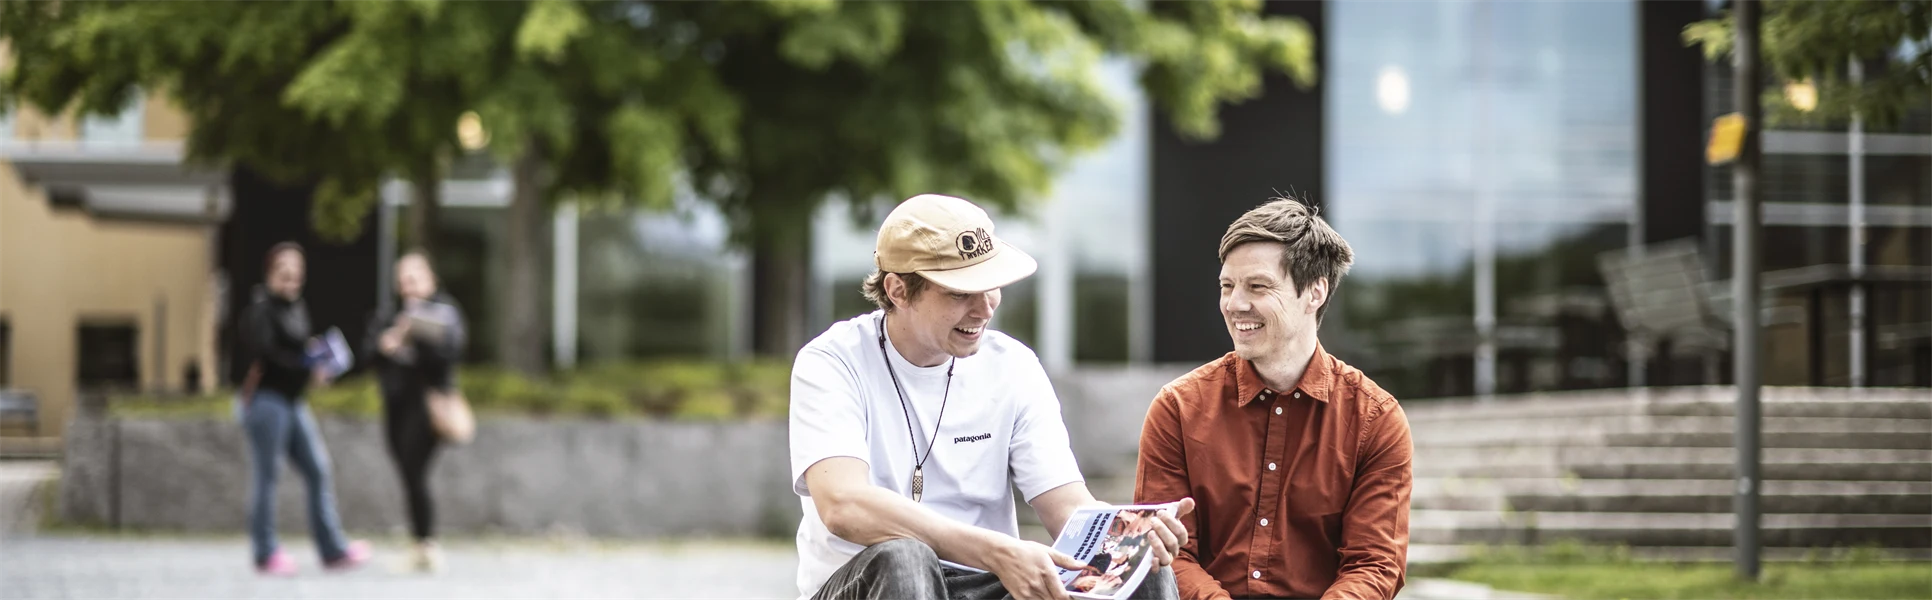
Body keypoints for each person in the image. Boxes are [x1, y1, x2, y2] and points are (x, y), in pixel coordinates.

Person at [790, 194, 1195, 600]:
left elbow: (1068, 510)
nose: (985, 309)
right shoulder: (832, 361)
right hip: (869, 582)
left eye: (992, 286)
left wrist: (1129, 535)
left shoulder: (1012, 366)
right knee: (905, 557)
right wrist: (996, 551)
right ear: (898, 290)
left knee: (1144, 573)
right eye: (960, 293)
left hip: (986, 580)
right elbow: (843, 505)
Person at [1134, 197, 1411, 600]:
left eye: (1257, 286)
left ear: (1315, 292)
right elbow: (1165, 554)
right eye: (1227, 286)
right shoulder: (1177, 408)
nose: (1234, 304)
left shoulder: (1376, 419)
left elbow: (1374, 565)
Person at [238, 242, 371, 575]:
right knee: (268, 477)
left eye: (297, 273)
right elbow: (268, 356)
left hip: (294, 401)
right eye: (284, 273)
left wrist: (319, 358)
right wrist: (306, 368)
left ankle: (332, 549)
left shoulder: (295, 307)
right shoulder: (261, 310)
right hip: (268, 402)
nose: (291, 279)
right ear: (271, 272)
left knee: (317, 469)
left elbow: (299, 348)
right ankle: (265, 552)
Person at [363, 251, 467, 572]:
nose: (408, 286)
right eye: (402, 281)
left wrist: (418, 336)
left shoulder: (445, 312)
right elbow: (367, 354)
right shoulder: (389, 314)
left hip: (428, 403)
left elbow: (452, 352)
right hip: (396, 404)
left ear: (430, 279)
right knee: (407, 470)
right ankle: (420, 543)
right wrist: (386, 343)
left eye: (414, 279)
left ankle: (426, 543)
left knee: (414, 468)